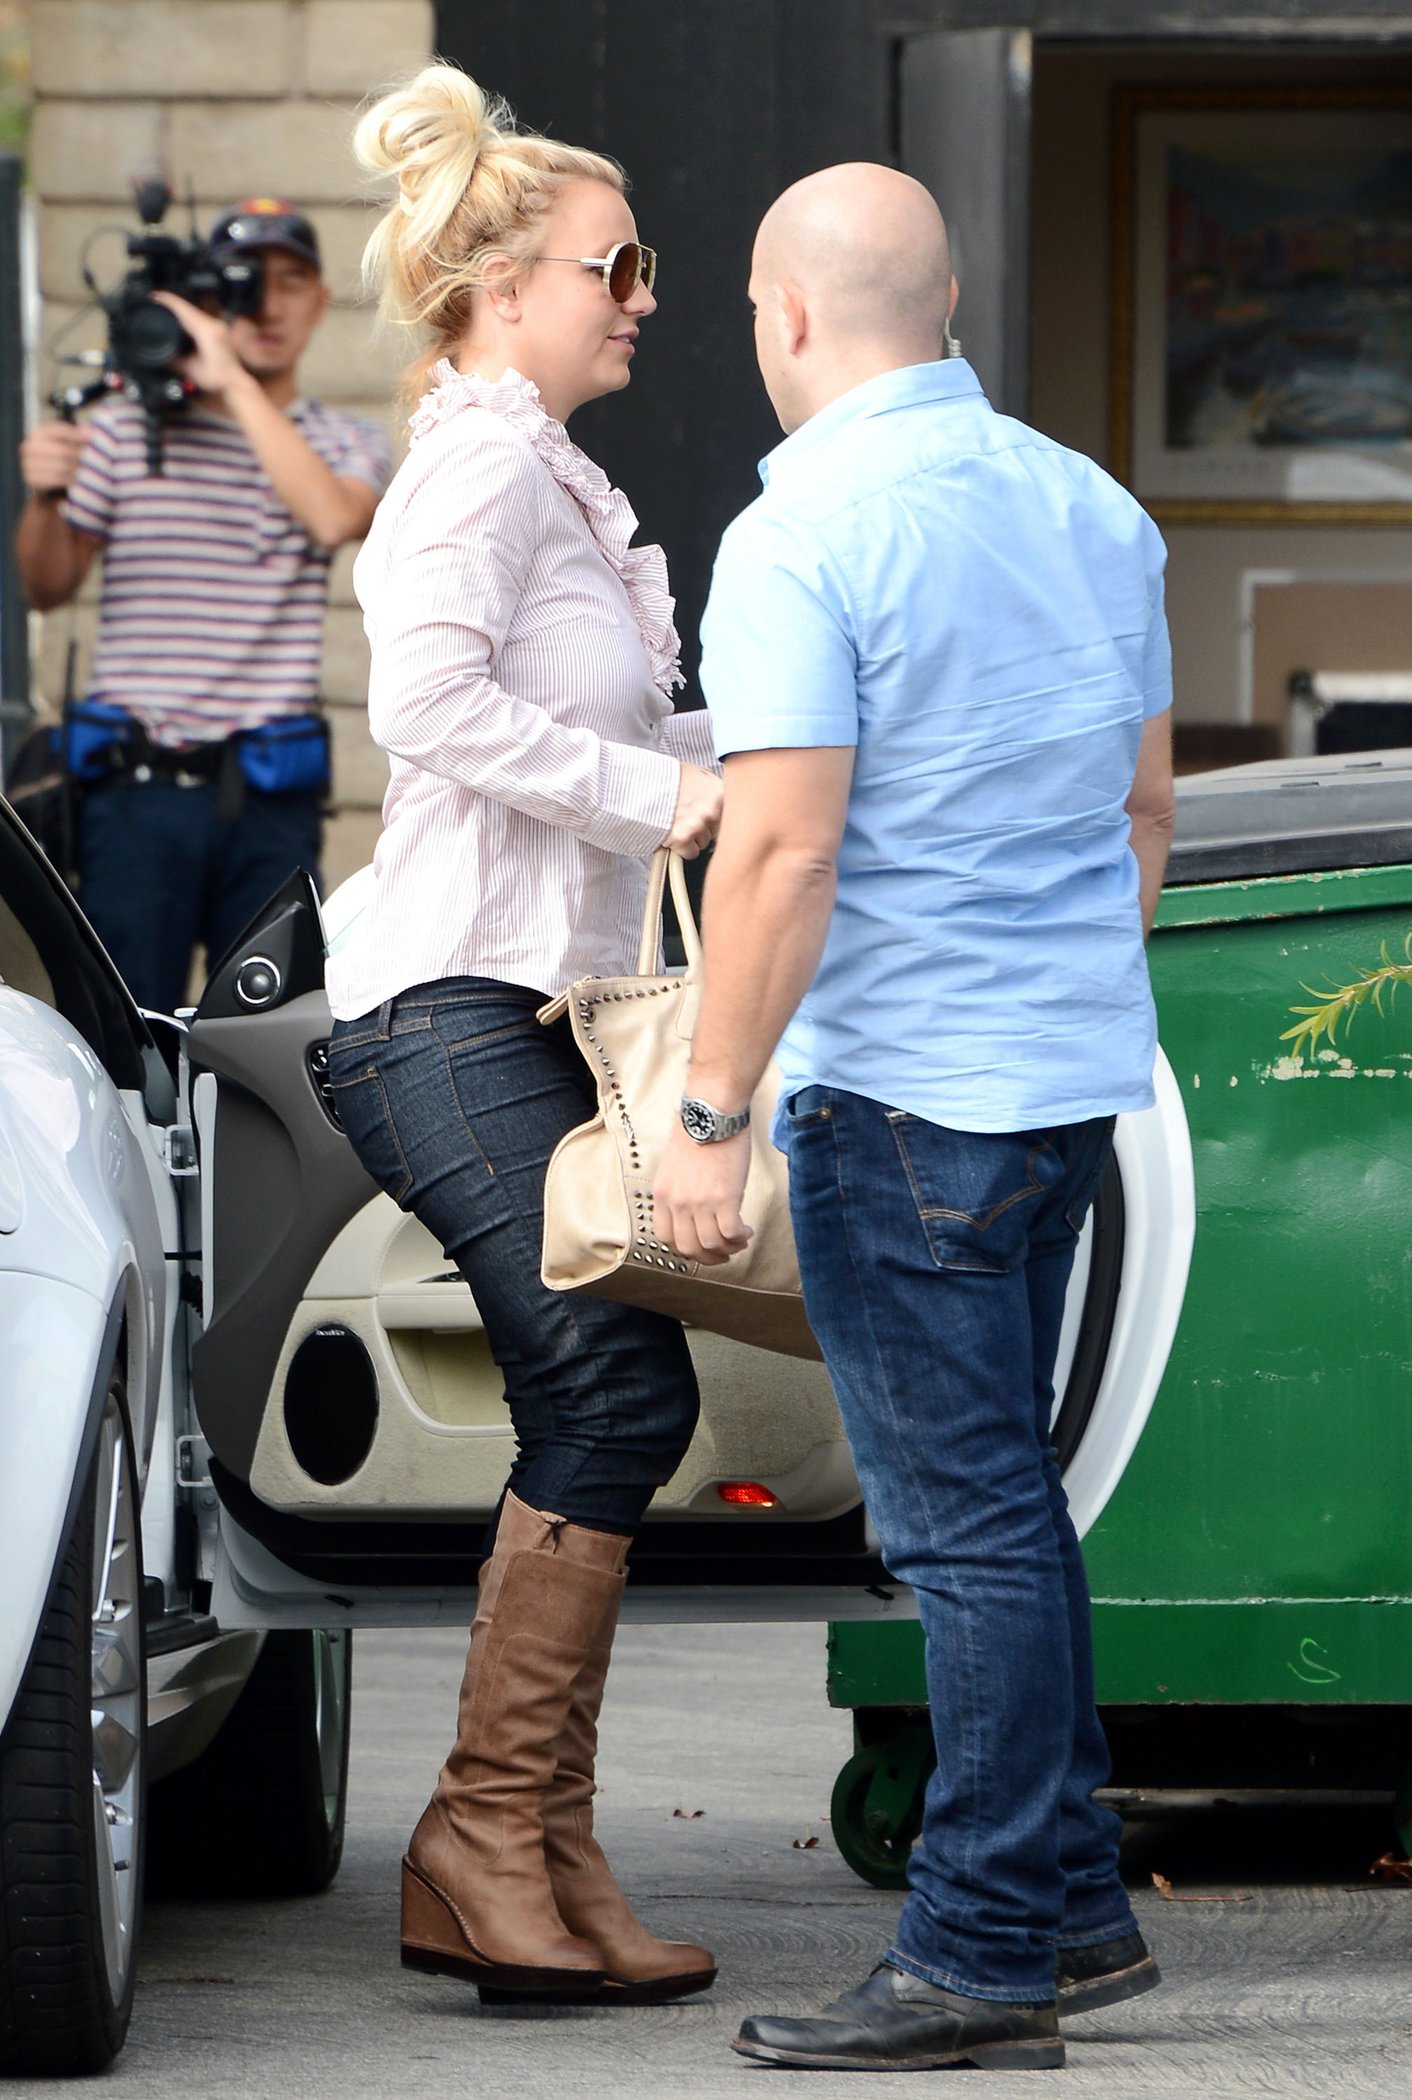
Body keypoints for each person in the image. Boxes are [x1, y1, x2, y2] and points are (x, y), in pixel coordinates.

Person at [654, 163, 1175, 2074]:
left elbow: (783, 852)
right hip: (1060, 1091)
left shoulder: (802, 535)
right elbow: (1141, 824)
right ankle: (1075, 1913)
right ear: (941, 302)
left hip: (898, 1098)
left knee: (965, 1538)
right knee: (1010, 1515)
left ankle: (975, 1956)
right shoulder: (1092, 505)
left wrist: (705, 1114)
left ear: (781, 317)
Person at [323, 65, 721, 2004]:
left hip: (527, 1007)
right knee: (615, 1396)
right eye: (615, 262)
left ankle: (526, 1852)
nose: (644, 293)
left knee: (615, 1399)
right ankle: (489, 1839)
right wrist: (672, 806)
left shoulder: (554, 477)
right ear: (496, 280)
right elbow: (430, 715)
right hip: (438, 1008)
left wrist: (772, 772)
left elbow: (642, 750)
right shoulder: (477, 467)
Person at [15, 199, 392, 1013]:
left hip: (268, 801)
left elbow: (331, 515)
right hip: (133, 796)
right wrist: (44, 500)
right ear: (206, 302)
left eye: (290, 283)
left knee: (267, 1038)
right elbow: (46, 585)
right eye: (244, 285)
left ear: (321, 301)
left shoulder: (346, 441)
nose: (266, 304)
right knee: (121, 1031)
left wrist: (227, 380)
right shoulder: (120, 431)